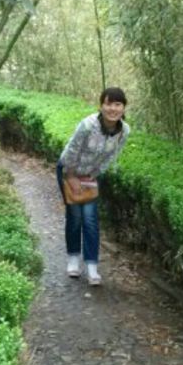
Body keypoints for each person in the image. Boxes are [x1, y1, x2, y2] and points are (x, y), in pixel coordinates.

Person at [56, 87, 130, 286]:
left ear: (123, 107)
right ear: (101, 105)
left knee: (90, 219)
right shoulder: (88, 125)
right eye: (108, 103)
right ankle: (73, 258)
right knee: (75, 216)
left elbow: (111, 157)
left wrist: (93, 175)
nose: (112, 109)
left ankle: (91, 266)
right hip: (68, 170)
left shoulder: (124, 131)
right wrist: (71, 176)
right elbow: (72, 151)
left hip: (90, 175)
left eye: (117, 104)